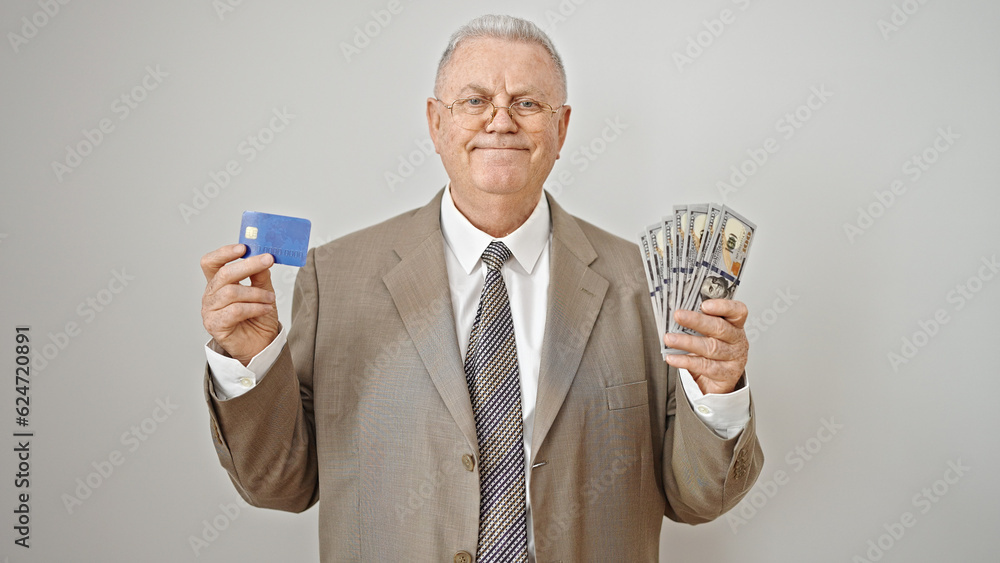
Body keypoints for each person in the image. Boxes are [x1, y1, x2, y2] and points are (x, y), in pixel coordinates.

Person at [199, 14, 762, 562]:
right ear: (435, 123)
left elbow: (699, 497)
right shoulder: (335, 277)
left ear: (562, 127)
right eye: (474, 101)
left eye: (527, 103)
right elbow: (279, 486)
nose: (500, 121)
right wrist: (250, 361)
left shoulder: (644, 286)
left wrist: (719, 395)